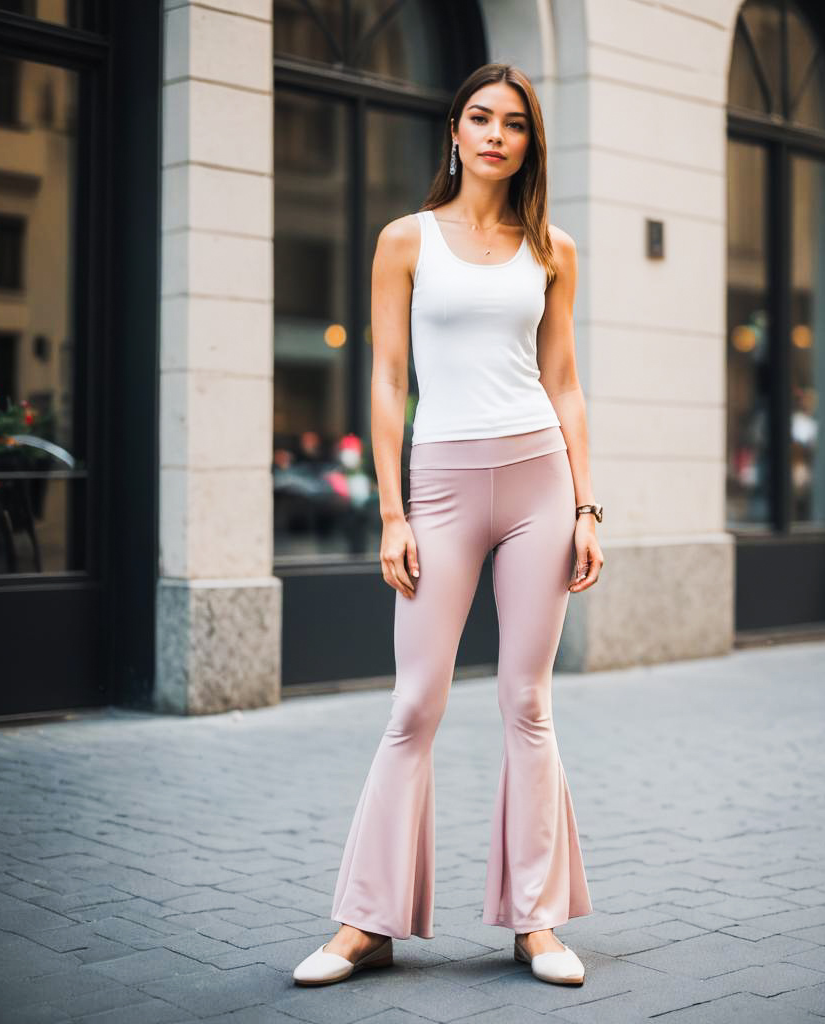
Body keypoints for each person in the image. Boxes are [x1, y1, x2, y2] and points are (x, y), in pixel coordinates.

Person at [293, 62, 604, 990]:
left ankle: (536, 923)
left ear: (527, 143)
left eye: (513, 123)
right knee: (415, 704)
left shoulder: (553, 247)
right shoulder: (406, 240)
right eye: (480, 117)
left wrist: (587, 507)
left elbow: (566, 384)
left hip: (540, 479)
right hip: (442, 482)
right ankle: (366, 922)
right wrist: (391, 511)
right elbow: (388, 382)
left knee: (528, 702)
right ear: (456, 131)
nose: (495, 134)